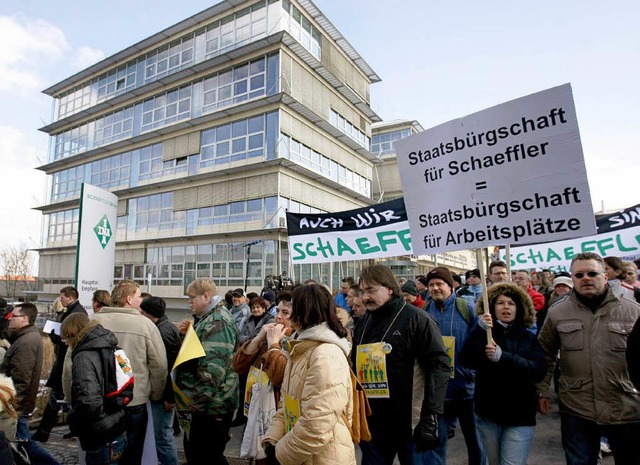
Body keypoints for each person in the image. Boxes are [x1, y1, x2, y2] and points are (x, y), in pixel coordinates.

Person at [537, 252, 640, 464]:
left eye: (592, 273)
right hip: (577, 408)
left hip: (625, 407)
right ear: (572, 279)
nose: (586, 278)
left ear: (605, 275)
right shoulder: (557, 312)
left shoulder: (633, 311)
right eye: (579, 274)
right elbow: (544, 353)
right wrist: (542, 391)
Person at [354, 264, 450, 464]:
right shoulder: (364, 322)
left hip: (410, 423)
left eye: (371, 290)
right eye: (362, 292)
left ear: (390, 288)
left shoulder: (417, 319)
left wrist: (431, 416)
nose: (365, 297)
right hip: (374, 424)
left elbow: (439, 366)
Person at [262, 284, 355, 465]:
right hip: (300, 453)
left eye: (292, 307)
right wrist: (272, 440)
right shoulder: (300, 348)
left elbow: (317, 424)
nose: (286, 313)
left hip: (324, 457)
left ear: (304, 310)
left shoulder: (326, 355)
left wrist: (280, 454)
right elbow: (286, 405)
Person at [459, 283, 547, 465]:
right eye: (500, 303)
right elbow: (466, 359)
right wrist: (479, 330)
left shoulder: (528, 337)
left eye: (511, 303)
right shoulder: (484, 334)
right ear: (491, 308)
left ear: (519, 308)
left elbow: (538, 370)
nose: (506, 307)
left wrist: (504, 357)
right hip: (489, 413)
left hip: (519, 414)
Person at [92, 280, 168, 465]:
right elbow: (159, 365)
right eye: (139, 295)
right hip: (135, 400)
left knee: (100, 451)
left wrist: (73, 396)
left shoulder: (92, 321)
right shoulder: (146, 325)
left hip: (99, 399)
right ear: (128, 299)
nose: (141, 299)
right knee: (132, 453)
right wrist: (155, 394)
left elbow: (72, 363)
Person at [422, 267, 485, 465]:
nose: (435, 288)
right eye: (431, 285)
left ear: (450, 286)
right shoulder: (424, 311)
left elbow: (478, 343)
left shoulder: (466, 308)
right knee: (436, 443)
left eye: (439, 284)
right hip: (436, 390)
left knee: (475, 441)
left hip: (466, 388)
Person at [175, 278, 239, 465]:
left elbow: (213, 369)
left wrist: (196, 403)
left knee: (207, 456)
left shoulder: (218, 320)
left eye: (191, 298)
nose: (189, 302)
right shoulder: (211, 318)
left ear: (206, 296)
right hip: (211, 402)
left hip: (212, 404)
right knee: (203, 454)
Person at [61, 313, 128, 465]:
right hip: (116, 420)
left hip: (99, 430)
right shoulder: (108, 344)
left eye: (65, 338)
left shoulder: (83, 356)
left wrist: (73, 418)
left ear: (72, 333)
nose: (65, 343)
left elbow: (89, 400)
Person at [0, 303, 61, 465]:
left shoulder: (26, 342)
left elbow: (21, 379)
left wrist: (11, 407)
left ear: (24, 319)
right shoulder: (25, 337)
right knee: (21, 444)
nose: (10, 319)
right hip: (18, 405)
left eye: (14, 316)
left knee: (25, 445)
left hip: (17, 406)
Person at [33, 286, 88, 443]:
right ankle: (68, 430)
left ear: (70, 297)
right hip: (65, 360)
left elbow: (71, 338)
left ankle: (44, 432)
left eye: (62, 297)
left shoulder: (75, 313)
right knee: (59, 397)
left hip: (66, 362)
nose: (60, 300)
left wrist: (57, 337)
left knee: (55, 397)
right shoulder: (74, 311)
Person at [140, 297, 181, 465]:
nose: (141, 315)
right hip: (165, 393)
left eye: (143, 312)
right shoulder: (166, 327)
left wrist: (168, 397)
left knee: (163, 435)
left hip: (164, 394)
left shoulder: (162, 333)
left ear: (152, 315)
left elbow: (165, 369)